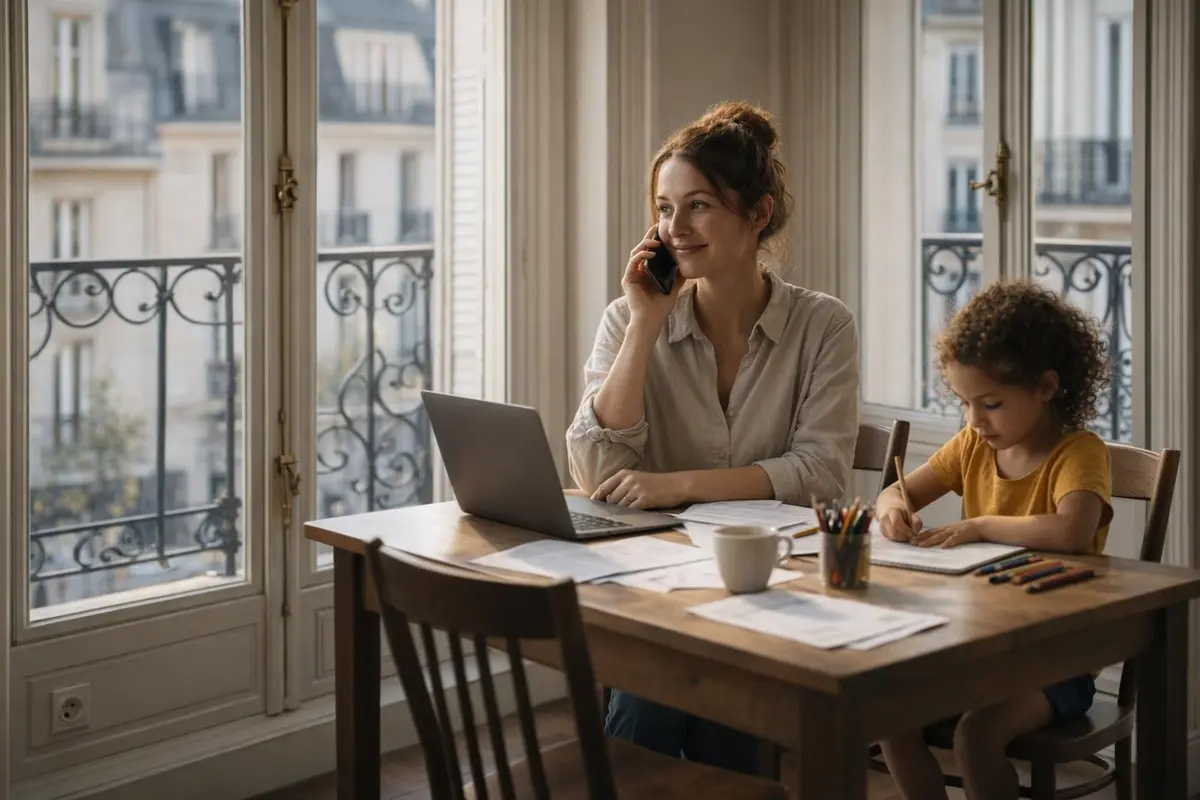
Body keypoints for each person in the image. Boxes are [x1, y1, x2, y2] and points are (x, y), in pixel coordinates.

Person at [564, 100, 860, 774]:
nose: (674, 228)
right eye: (664, 209)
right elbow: (593, 469)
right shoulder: (627, 317)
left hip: (774, 586)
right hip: (661, 587)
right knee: (667, 690)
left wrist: (676, 486)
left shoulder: (824, 327)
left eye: (696, 206)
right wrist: (645, 323)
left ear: (758, 214)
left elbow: (820, 473)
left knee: (704, 700)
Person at [874, 280, 1113, 800]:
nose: (975, 422)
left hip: (1056, 663)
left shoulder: (1079, 453)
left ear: (1047, 387)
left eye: (991, 404)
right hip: (978, 653)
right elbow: (895, 493)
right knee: (888, 714)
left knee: (976, 735)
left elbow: (1072, 529)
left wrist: (979, 526)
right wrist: (892, 510)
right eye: (964, 404)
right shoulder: (971, 447)